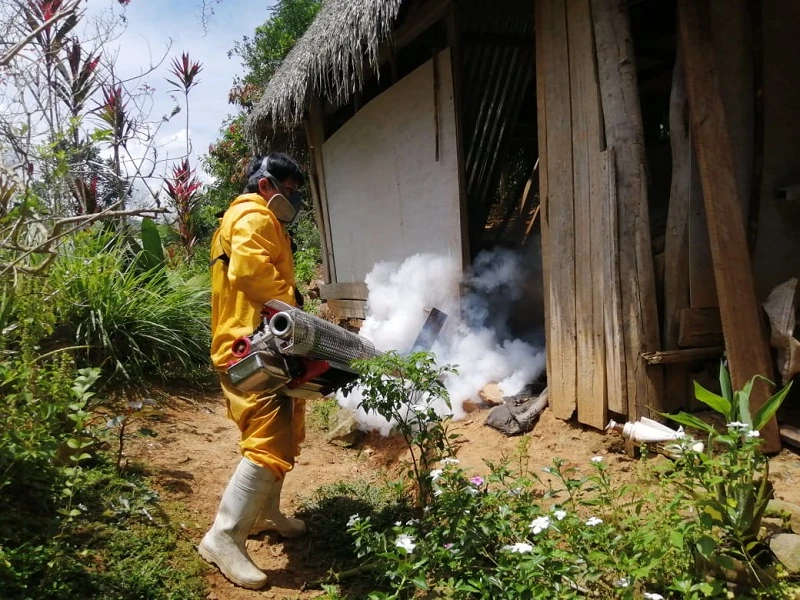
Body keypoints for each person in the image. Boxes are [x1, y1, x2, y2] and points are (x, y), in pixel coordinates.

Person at [199, 153, 307, 590]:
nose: (293, 199)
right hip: (254, 347)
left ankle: (264, 513)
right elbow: (251, 274)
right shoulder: (254, 216)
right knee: (267, 439)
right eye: (290, 189)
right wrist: (295, 309)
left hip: (255, 342)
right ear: (266, 186)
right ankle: (223, 537)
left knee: (285, 429)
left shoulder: (243, 219)